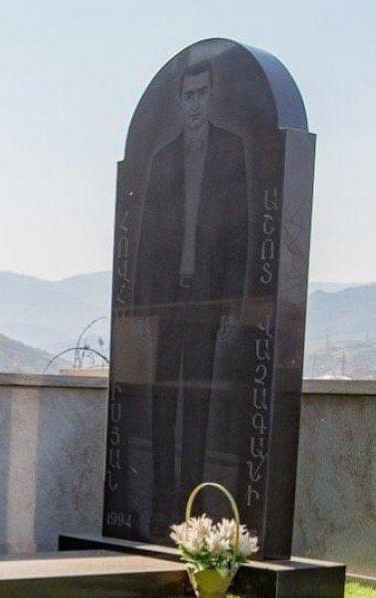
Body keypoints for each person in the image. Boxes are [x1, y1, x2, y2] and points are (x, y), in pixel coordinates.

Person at [132, 57, 249, 538]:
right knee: (163, 406)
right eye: (189, 96)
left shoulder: (230, 151)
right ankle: (163, 504)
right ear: (180, 102)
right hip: (166, 303)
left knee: (198, 408)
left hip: (206, 304)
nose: (196, 104)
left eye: (203, 94)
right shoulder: (163, 159)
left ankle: (194, 507)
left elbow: (241, 232)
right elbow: (146, 237)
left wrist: (233, 302)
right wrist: (142, 309)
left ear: (211, 96)